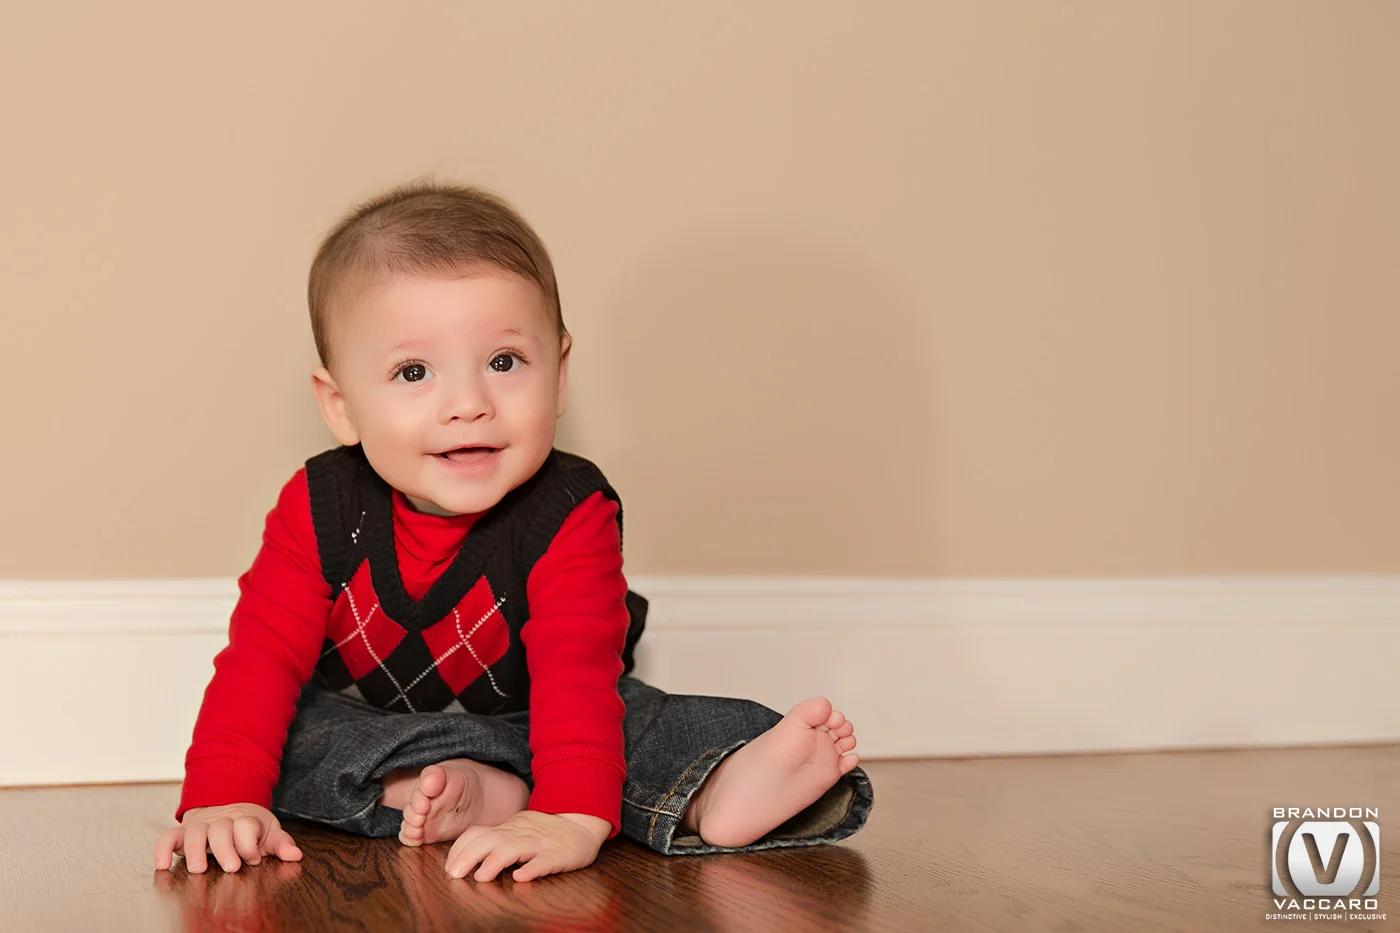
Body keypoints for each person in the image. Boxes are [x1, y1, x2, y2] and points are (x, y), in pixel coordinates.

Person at [152, 181, 874, 883]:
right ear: (340, 405)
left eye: (504, 362)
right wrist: (223, 798)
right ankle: (466, 787)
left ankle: (712, 788)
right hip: (372, 720)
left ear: (558, 376)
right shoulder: (319, 505)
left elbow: (575, 670)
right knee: (295, 738)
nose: (468, 402)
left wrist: (568, 816)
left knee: (637, 722)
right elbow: (261, 660)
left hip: (548, 715)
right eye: (413, 371)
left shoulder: (569, 509)